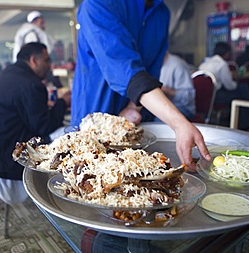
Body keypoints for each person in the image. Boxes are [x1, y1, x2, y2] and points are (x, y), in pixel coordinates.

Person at [71, 0, 210, 170]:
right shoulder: (98, 4)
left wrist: (133, 108)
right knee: (89, 178)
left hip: (135, 116)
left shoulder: (161, 13)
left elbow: (149, 72)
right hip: (95, 115)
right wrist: (179, 124)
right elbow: (124, 70)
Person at [0, 42, 71, 203]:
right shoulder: (31, 83)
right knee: (73, 133)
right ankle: (71, 189)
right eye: (47, 60)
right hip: (13, 156)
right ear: (34, 60)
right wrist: (63, 102)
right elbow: (45, 126)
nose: (49, 66)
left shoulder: (9, 74)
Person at [199, 42, 249, 130]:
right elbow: (230, 86)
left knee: (242, 89)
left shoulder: (205, 62)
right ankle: (246, 123)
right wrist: (236, 84)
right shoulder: (222, 64)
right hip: (215, 97)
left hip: (203, 97)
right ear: (226, 53)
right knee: (242, 92)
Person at [158, 52, 196, 121]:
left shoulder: (178, 65)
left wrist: (167, 91)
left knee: (158, 121)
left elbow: (189, 97)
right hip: (162, 107)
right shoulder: (152, 66)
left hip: (183, 108)